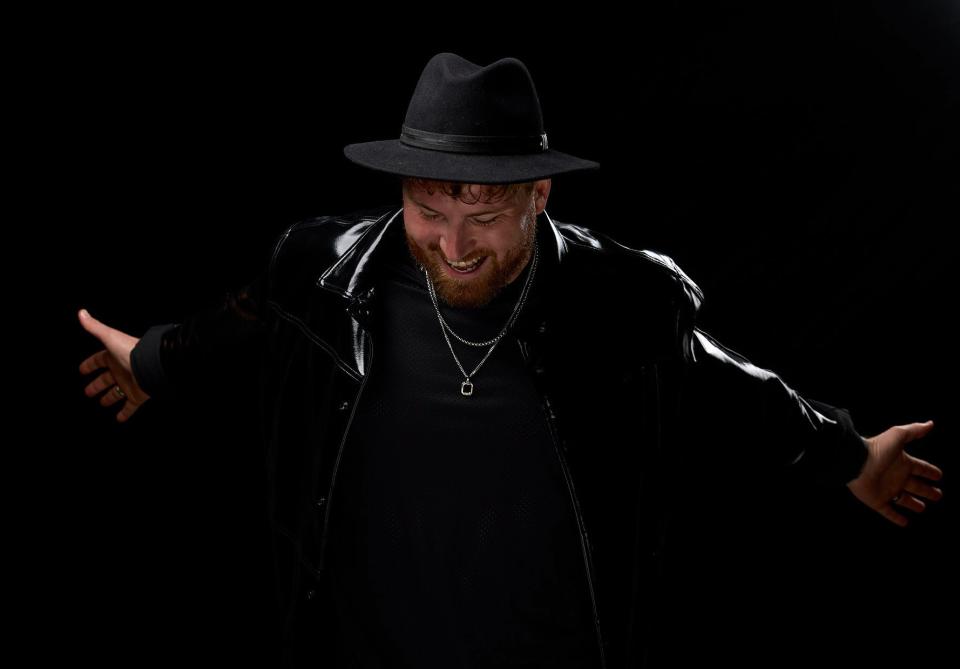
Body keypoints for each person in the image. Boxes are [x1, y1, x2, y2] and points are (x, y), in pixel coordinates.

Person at [77, 52, 944, 668]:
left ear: (539, 193)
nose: (453, 247)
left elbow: (730, 383)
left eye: (485, 217)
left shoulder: (623, 299)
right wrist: (152, 363)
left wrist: (851, 455)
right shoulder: (322, 270)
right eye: (429, 211)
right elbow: (242, 322)